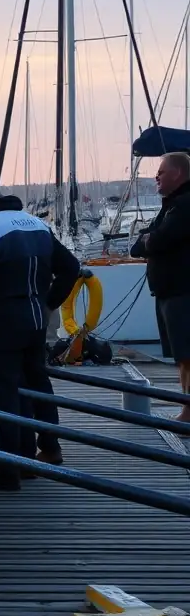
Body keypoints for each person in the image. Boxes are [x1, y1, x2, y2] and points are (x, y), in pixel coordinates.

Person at [0, 172, 80, 491]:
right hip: (35, 321)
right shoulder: (36, 225)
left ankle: (7, 468)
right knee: (37, 384)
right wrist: (48, 303)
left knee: (0, 393)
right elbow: (71, 267)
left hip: (0, 324)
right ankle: (49, 448)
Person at [131, 151, 190, 420]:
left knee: (187, 354)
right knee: (181, 356)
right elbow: (139, 245)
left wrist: (149, 241)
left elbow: (160, 239)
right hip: (168, 291)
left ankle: (189, 412)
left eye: (161, 172)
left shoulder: (185, 205)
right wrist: (148, 240)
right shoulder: (172, 205)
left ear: (177, 174)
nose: (156, 176)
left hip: (182, 291)